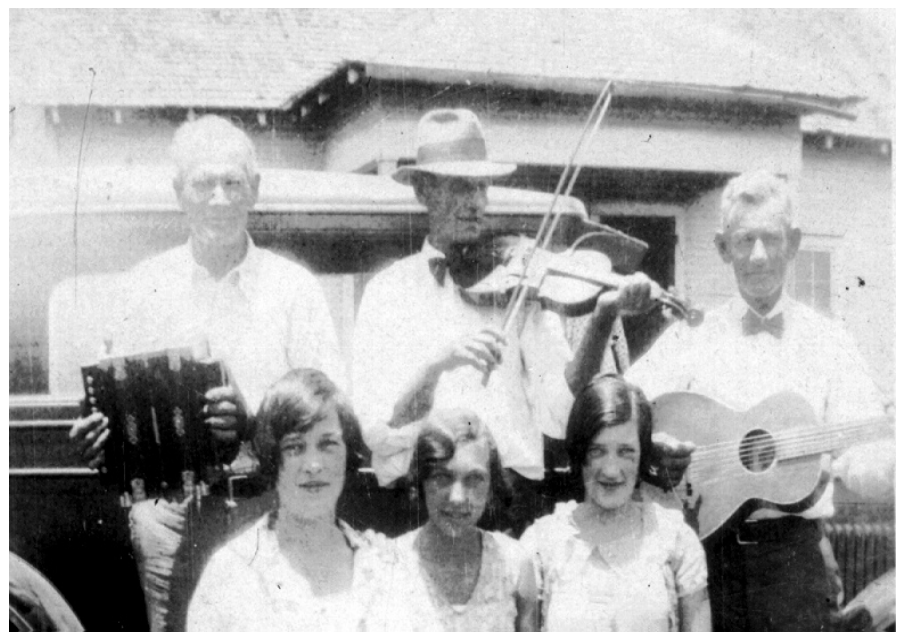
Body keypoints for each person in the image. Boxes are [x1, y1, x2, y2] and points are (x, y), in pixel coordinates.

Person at [68, 115, 343, 631]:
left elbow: (331, 411)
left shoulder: (293, 290)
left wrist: (254, 423)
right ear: (180, 193)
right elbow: (109, 406)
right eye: (203, 183)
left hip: (264, 506)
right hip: (166, 515)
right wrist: (97, 442)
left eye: (233, 182)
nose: (219, 197)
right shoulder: (140, 287)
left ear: (254, 190)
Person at [352, 108, 650, 534]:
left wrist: (604, 316)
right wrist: (436, 369)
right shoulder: (387, 291)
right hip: (418, 501)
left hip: (508, 499)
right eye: (459, 186)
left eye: (481, 187)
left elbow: (558, 415)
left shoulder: (519, 282)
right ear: (422, 191)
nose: (474, 201)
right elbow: (376, 430)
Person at [626, 170, 889, 631]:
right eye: (744, 240)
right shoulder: (692, 334)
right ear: (722, 246)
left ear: (794, 242)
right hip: (700, 554)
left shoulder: (830, 341)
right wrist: (653, 448)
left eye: (771, 239)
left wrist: (886, 464)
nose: (759, 255)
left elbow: (862, 457)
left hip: (793, 561)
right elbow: (623, 408)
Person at [187, 369, 383, 631]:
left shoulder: (380, 564)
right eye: (294, 447)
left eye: (328, 445)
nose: (313, 465)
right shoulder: (231, 574)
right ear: (272, 458)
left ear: (348, 453)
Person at [520, 374, 710, 631]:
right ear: (579, 453)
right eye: (597, 451)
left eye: (625, 452)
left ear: (642, 454)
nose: (611, 470)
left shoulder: (675, 540)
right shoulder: (541, 545)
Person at [365, 408, 538, 631]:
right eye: (442, 477)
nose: (457, 498)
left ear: (491, 486)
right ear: (421, 481)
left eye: (474, 479)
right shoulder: (388, 565)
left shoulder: (515, 564)